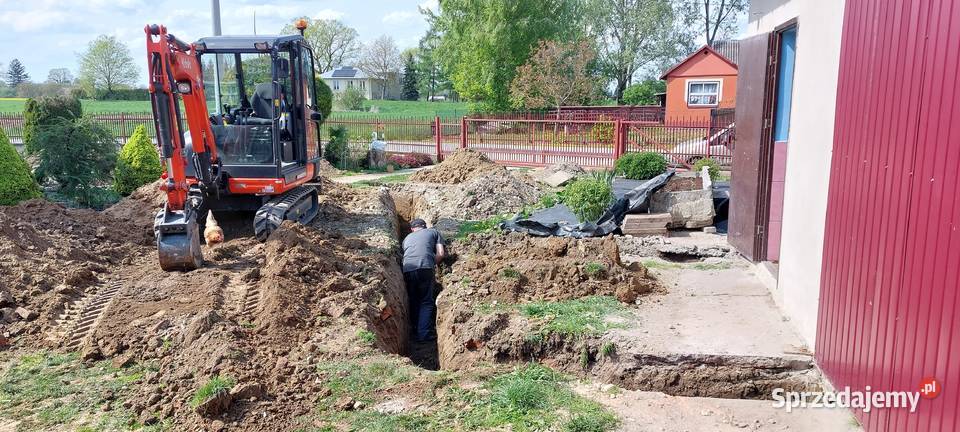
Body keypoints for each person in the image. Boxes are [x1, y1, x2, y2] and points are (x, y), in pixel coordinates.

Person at [402, 218, 445, 342]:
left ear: (412, 229)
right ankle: (424, 334)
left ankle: (415, 330)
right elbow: (440, 253)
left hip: (407, 269)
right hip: (425, 267)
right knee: (426, 301)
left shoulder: (406, 239)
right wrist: (432, 264)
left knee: (414, 300)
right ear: (425, 226)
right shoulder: (434, 232)